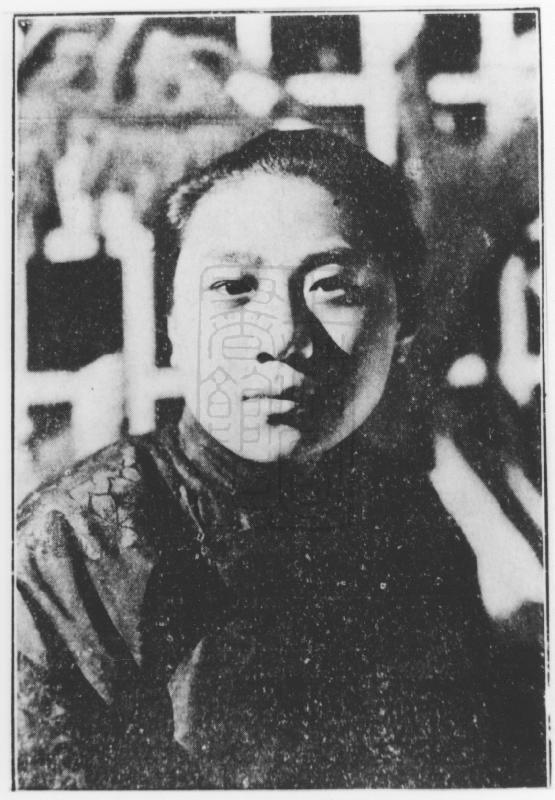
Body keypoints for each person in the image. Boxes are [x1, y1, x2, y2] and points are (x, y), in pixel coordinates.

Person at [16, 130, 545, 789]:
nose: (283, 335)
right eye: (234, 287)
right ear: (173, 323)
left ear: (402, 321)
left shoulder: (409, 519)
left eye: (333, 288)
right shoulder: (71, 546)